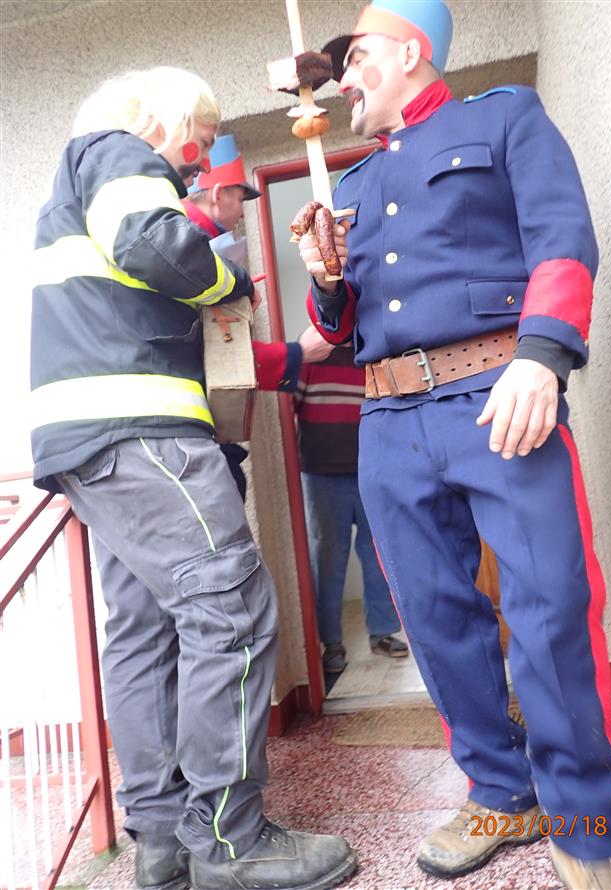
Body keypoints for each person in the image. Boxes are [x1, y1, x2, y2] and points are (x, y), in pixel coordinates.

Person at [298, 2, 611, 888]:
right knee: (434, 620)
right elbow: (339, 327)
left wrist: (541, 356)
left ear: (411, 52)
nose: (343, 79)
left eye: (356, 57)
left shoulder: (502, 118)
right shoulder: (352, 186)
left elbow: (561, 239)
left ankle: (583, 827)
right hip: (388, 422)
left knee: (549, 608)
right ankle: (500, 791)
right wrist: (325, 283)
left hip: (497, 394)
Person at [30, 66, 356, 890]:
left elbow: (139, 277)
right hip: (143, 433)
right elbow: (154, 245)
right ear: (161, 121)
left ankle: (164, 840)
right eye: (197, 140)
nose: (194, 161)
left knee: (142, 630)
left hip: (91, 444)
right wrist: (230, 282)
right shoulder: (117, 151)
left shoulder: (72, 184)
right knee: (230, 607)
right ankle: (230, 843)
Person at [183, 133, 335, 500]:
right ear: (217, 194)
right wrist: (298, 353)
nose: (241, 212)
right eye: (239, 198)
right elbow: (208, 354)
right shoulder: (190, 246)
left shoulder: (193, 242)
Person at [294, 337, 408, 673]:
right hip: (322, 473)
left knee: (379, 554)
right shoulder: (311, 353)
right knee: (328, 558)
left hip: (372, 471)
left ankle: (382, 633)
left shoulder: (371, 352)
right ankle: (330, 642)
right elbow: (288, 410)